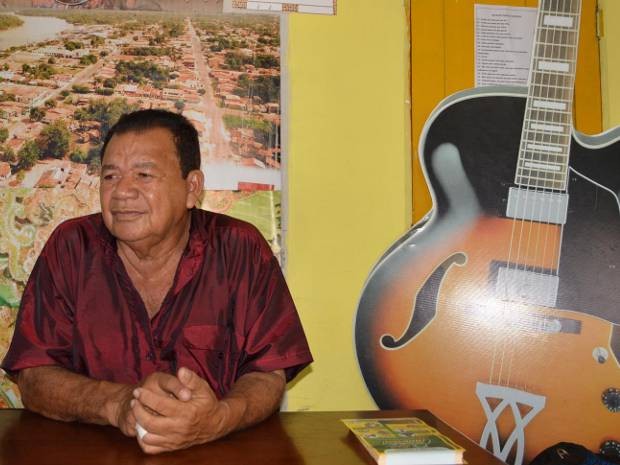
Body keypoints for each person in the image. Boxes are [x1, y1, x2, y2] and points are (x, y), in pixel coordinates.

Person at [1, 109, 312, 454]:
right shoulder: (71, 247)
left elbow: (269, 373)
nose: (122, 192)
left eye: (144, 175)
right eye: (110, 176)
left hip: (216, 453)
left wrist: (217, 418)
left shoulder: (240, 249)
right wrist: (118, 403)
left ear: (191, 188)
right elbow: (34, 376)